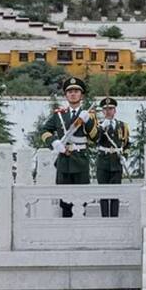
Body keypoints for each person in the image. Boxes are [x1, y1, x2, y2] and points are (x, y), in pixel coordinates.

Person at [40, 77, 99, 217]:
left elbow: (96, 138)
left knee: (81, 199)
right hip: (63, 161)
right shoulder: (59, 115)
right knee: (65, 201)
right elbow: (44, 131)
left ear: (81, 95)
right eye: (70, 91)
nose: (73, 94)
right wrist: (54, 142)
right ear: (66, 95)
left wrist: (88, 122)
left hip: (80, 160)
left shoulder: (88, 115)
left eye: (76, 91)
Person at [95, 97, 129, 218]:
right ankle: (104, 219)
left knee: (116, 193)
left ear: (115, 110)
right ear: (102, 111)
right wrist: (101, 128)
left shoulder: (122, 126)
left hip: (116, 162)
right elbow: (95, 140)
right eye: (105, 109)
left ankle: (115, 218)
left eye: (111, 109)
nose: (108, 111)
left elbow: (126, 143)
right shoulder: (98, 126)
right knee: (103, 193)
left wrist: (125, 156)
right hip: (103, 162)